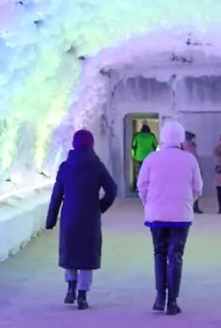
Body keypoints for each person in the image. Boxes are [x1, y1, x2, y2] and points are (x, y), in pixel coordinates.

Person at [46, 128, 118, 309]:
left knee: (70, 252)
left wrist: (51, 219)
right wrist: (100, 207)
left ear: (73, 144)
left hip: (70, 214)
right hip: (90, 215)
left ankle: (70, 288)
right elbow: (112, 189)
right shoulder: (97, 166)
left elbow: (57, 195)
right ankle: (83, 295)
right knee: (87, 256)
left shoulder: (65, 167)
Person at [137, 120, 202, 315]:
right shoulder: (190, 159)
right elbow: (198, 187)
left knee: (159, 254)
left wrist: (149, 203)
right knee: (176, 256)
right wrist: (188, 201)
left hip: (156, 216)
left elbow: (142, 186)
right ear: (181, 138)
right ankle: (172, 302)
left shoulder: (151, 159)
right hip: (181, 216)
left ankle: (159, 297)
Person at [131, 122, 158, 189]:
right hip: (149, 158)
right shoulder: (152, 136)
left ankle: (138, 186)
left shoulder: (137, 136)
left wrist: (133, 155)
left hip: (138, 157)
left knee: (138, 172)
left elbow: (133, 146)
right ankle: (148, 186)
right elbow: (155, 146)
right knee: (148, 173)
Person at [185, 130, 204, 214]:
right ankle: (194, 206)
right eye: (194, 138)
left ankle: (194, 206)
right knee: (194, 188)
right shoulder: (189, 146)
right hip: (192, 170)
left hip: (192, 170)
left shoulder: (189, 146)